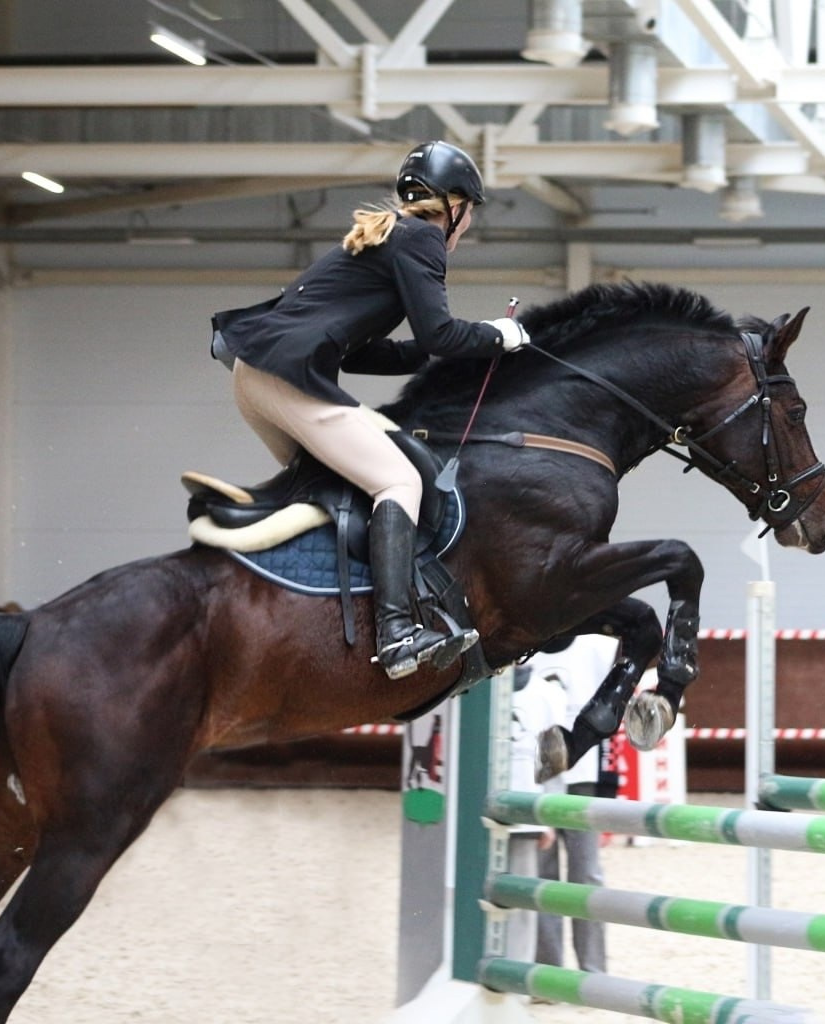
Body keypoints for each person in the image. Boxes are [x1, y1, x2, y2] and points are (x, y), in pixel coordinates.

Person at [209, 140, 530, 680]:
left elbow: (359, 350)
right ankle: (397, 631)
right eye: (470, 212)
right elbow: (442, 332)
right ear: (454, 207)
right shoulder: (422, 238)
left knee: (339, 488)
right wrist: (498, 336)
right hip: (284, 376)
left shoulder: (388, 235)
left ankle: (316, 605)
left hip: (255, 374)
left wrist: (424, 353)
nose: (468, 224)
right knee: (398, 481)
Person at [525, 634, 621, 975]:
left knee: (586, 876)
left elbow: (612, 717)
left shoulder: (596, 648)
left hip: (583, 782)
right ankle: (548, 970)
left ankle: (593, 971)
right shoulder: (525, 652)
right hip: (537, 781)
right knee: (542, 876)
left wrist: (607, 786)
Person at [505, 664, 566, 963]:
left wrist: (548, 816)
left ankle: (517, 971)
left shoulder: (546, 694)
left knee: (521, 901)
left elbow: (553, 763)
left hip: (527, 813)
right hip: (483, 808)